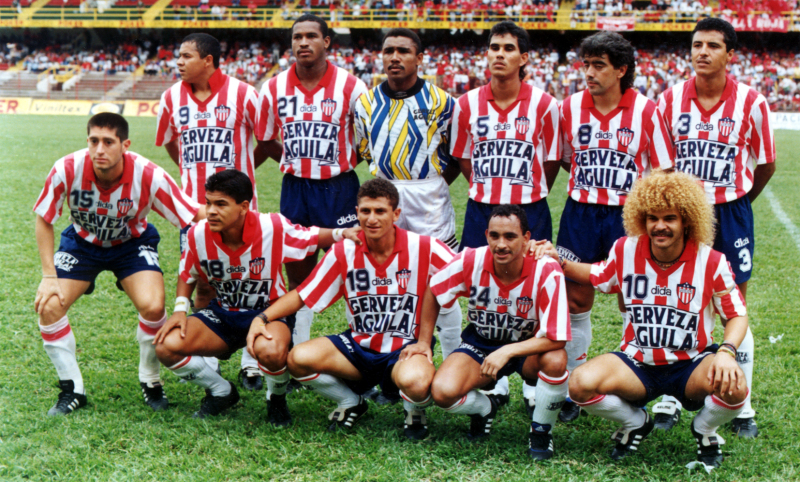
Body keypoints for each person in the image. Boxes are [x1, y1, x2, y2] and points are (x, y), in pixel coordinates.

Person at [537, 169, 749, 468]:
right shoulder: (626, 249)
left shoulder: (711, 261)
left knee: (735, 384)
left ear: (687, 219)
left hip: (691, 363)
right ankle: (636, 421)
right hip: (638, 363)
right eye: (652, 218)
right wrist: (557, 260)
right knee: (581, 383)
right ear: (642, 219)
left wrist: (727, 353)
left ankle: (704, 430)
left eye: (669, 218)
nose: (659, 226)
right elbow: (597, 275)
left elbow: (737, 315)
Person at [247, 179, 454, 439]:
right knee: (298, 360)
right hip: (358, 347)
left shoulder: (424, 247)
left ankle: (414, 410)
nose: (372, 218)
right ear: (356, 212)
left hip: (405, 350)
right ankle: (350, 401)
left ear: (396, 214)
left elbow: (469, 270)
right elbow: (303, 293)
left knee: (416, 382)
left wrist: (522, 255)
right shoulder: (344, 250)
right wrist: (262, 317)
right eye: (365, 211)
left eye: (380, 211)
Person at [153, 170, 358, 422]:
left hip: (268, 313)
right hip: (224, 314)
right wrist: (180, 310)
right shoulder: (197, 233)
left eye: (220, 204)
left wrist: (341, 233)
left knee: (271, 352)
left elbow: (310, 237)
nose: (211, 211)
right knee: (166, 346)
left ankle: (276, 398)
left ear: (243, 206)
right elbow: (188, 274)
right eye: (208, 203)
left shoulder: (272, 226)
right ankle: (221, 391)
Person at [33, 113, 202, 415]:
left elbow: (190, 216)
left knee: (152, 306)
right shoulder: (67, 169)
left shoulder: (149, 175)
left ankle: (150, 380)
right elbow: (44, 218)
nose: (100, 149)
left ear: (125, 145)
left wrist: (241, 221)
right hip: (82, 244)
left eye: (108, 142)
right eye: (93, 141)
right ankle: (72, 388)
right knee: (49, 305)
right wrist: (49, 275)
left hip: (131, 245)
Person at [657, 17, 775, 437]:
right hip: (685, 215)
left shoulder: (752, 102)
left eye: (712, 45)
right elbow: (664, 167)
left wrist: (738, 200)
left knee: (733, 305)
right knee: (680, 301)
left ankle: (741, 402)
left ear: (730, 54)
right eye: (696, 45)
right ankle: (672, 392)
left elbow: (765, 164)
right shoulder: (669, 100)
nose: (702, 52)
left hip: (731, 211)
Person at [556, 32, 673, 422]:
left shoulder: (646, 110)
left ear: (621, 70)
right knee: (576, 300)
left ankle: (633, 379)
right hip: (581, 213)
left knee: (632, 300)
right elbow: (566, 159)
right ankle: (572, 385)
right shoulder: (569, 107)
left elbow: (662, 170)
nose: (588, 72)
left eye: (598, 65)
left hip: (627, 217)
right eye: (585, 64)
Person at [155, 33, 280, 391]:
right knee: (202, 282)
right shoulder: (170, 98)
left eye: (186, 56)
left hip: (242, 215)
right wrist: (195, 189)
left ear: (208, 60)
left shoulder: (245, 94)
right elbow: (170, 143)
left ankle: (250, 362)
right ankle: (209, 355)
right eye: (177, 56)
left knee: (252, 284)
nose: (178, 62)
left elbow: (267, 141)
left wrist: (241, 180)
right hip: (192, 212)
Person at [449, 20, 560, 406]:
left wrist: (521, 197)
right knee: (483, 287)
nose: (499, 54)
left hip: (530, 209)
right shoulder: (466, 104)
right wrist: (492, 195)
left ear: (524, 57)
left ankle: (530, 377)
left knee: (533, 286)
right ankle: (493, 377)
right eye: (494, 47)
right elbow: (464, 158)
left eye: (509, 48)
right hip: (483, 209)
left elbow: (550, 162)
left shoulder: (545, 104)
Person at [256, 14, 369, 352]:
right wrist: (296, 161)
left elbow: (365, 144)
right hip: (296, 189)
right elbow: (265, 139)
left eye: (310, 36)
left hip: (340, 189)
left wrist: (337, 164)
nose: (302, 43)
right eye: (296, 37)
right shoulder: (273, 86)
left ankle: (362, 347)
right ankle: (298, 348)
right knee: (298, 273)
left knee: (354, 270)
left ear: (327, 42)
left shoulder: (351, 86)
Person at [353, 28, 462, 374]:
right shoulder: (365, 103)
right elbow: (364, 149)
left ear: (420, 57)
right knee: (385, 278)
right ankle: (389, 360)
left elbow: (455, 155)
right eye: (388, 51)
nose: (394, 57)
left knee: (442, 277)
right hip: (384, 194)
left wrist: (431, 185)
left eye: (403, 50)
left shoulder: (443, 102)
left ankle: (455, 360)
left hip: (428, 193)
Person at [428, 205, 570, 460]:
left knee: (556, 359)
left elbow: (556, 336)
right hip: (481, 343)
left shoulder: (546, 269)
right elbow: (434, 290)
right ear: (486, 235)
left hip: (527, 346)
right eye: (495, 236)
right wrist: (421, 341)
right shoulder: (471, 259)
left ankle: (541, 430)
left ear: (527, 239)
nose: (501, 244)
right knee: (443, 392)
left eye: (510, 236)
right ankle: (485, 408)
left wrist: (508, 351)